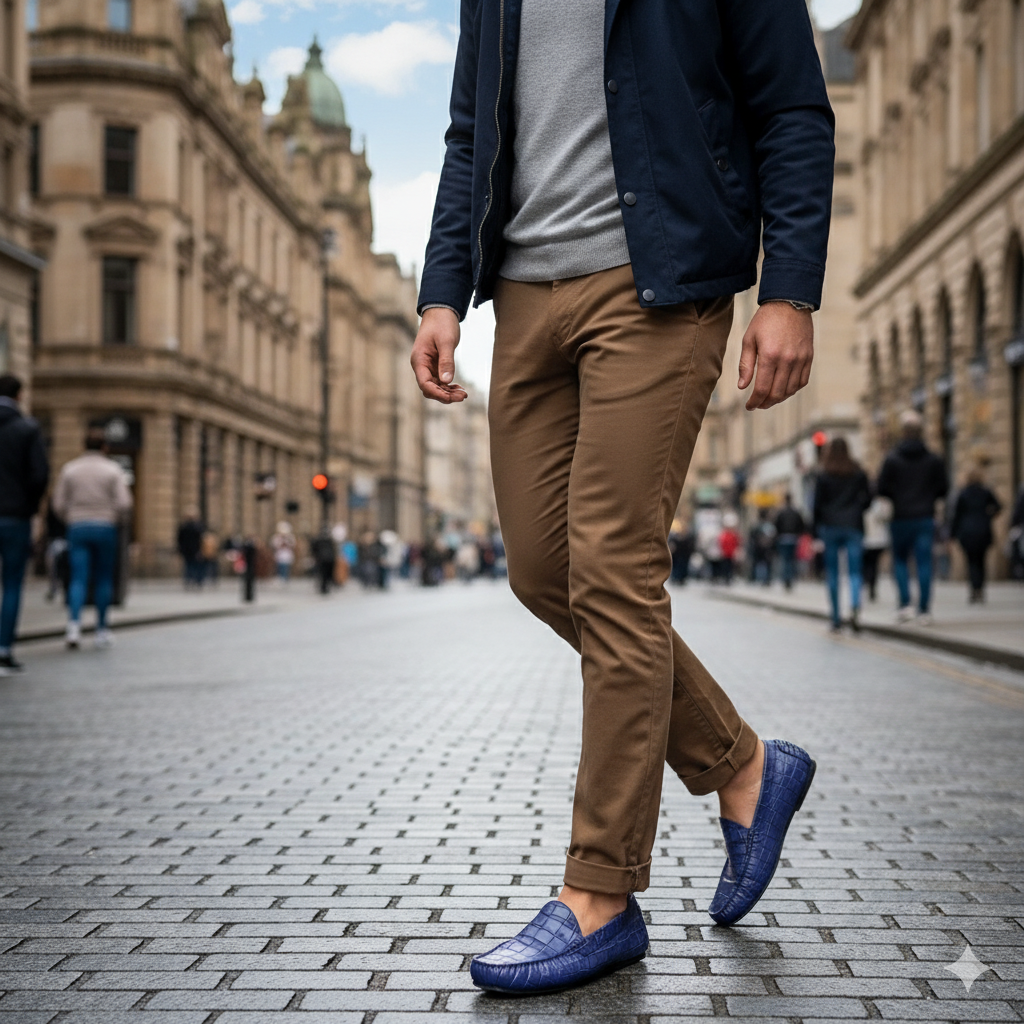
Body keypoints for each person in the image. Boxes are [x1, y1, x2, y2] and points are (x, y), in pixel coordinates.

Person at [410, 0, 831, 993]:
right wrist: (439, 291)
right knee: (541, 569)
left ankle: (599, 895)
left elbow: (790, 108)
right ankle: (742, 764)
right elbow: (473, 130)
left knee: (611, 564)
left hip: (661, 280)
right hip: (521, 291)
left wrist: (790, 288)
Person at [52, 429, 133, 649]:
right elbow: (125, 503)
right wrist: (114, 516)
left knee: (78, 577)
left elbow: (58, 503)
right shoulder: (112, 470)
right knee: (103, 578)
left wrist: (71, 516)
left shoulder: (70, 469)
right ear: (105, 447)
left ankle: (73, 627)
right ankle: (101, 630)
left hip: (77, 526)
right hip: (105, 527)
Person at [877, 410, 949, 624]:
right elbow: (943, 488)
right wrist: (928, 498)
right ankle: (924, 610)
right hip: (925, 517)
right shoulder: (933, 459)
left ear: (903, 432)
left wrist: (896, 496)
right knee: (924, 563)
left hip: (899, 517)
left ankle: (905, 605)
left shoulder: (891, 459)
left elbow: (881, 488)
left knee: (899, 561)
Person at [0, 374, 50, 671]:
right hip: (14, 516)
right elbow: (39, 475)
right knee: (13, 583)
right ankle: (3, 648)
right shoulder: (27, 429)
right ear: (19, 396)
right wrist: (28, 507)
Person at [813, 438, 871, 632]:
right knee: (855, 572)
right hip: (853, 525)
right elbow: (869, 498)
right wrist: (857, 509)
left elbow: (816, 505)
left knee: (833, 573)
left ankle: (836, 617)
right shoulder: (857, 472)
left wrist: (816, 529)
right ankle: (855, 609)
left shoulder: (823, 474)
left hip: (830, 527)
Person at [950, 468, 1002, 603]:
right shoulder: (985, 492)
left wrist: (952, 534)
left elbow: (956, 515)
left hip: (967, 531)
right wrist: (988, 515)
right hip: (983, 530)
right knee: (981, 560)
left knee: (971, 561)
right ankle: (980, 588)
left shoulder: (963, 494)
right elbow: (998, 507)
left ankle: (974, 589)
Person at [861, 495, 892, 602]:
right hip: (869, 539)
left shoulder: (876, 504)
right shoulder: (871, 503)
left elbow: (886, 516)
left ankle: (870, 585)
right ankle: (870, 585)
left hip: (874, 540)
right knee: (870, 565)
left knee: (871, 565)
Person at [773, 494, 806, 591]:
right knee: (792, 560)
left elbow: (776, 525)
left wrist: (778, 535)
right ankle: (790, 579)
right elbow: (801, 524)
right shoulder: (796, 512)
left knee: (785, 560)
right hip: (793, 538)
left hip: (783, 538)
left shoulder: (781, 512)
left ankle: (786, 579)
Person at [176, 511, 205, 589]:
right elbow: (201, 540)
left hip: (187, 551)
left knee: (188, 566)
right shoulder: (198, 527)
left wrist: (180, 550)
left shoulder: (183, 527)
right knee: (196, 566)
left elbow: (179, 540)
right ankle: (197, 581)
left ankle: (188, 580)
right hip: (195, 550)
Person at [749, 508, 777, 585]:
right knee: (767, 564)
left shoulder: (756, 525)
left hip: (758, 547)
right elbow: (773, 537)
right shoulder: (769, 526)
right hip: (767, 548)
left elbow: (752, 537)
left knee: (757, 563)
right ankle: (766, 579)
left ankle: (755, 578)